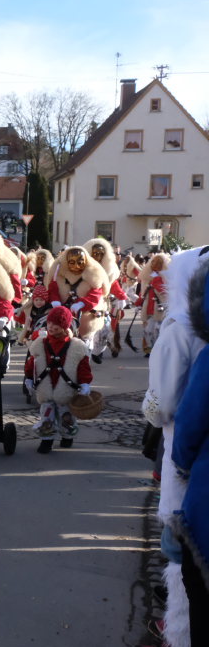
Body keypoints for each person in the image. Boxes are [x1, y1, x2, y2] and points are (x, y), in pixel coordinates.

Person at [142, 245, 208, 647]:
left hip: (190, 461)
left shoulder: (180, 327)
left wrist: (149, 410)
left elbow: (164, 405)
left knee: (184, 552)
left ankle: (179, 632)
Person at [24, 305, 93, 454]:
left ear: (64, 326)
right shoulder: (40, 343)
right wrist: (29, 377)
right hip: (46, 386)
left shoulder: (76, 347)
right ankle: (46, 440)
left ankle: (67, 435)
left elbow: (83, 367)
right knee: (46, 415)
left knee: (66, 415)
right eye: (49, 323)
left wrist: (85, 383)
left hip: (66, 387)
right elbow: (32, 362)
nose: (51, 327)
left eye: (56, 325)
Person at [46, 246, 109, 355]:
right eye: (72, 262)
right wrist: (55, 301)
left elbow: (96, 293)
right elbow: (52, 288)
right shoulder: (58, 273)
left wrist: (82, 303)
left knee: (85, 346)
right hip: (62, 317)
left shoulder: (93, 274)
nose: (76, 266)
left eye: (80, 262)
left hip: (86, 318)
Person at [138, 253, 169, 356]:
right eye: (153, 262)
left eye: (158, 263)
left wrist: (156, 281)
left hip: (159, 308)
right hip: (149, 307)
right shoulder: (149, 277)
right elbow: (143, 293)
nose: (154, 265)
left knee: (157, 330)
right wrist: (138, 303)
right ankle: (149, 348)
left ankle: (157, 349)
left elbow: (163, 292)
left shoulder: (163, 278)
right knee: (148, 330)